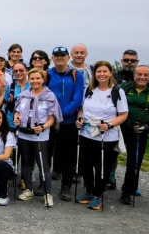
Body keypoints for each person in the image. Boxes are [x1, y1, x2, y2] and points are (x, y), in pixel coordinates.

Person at [75, 61, 128, 211]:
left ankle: (98, 195)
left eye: (105, 71)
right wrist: (79, 118)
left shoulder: (117, 91)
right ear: (94, 74)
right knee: (85, 165)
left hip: (107, 135)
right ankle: (89, 191)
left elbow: (123, 114)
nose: (101, 74)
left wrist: (110, 124)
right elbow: (82, 109)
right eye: (99, 71)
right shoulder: (89, 90)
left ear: (110, 73)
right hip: (87, 133)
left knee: (102, 167)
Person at [14, 68, 62, 206]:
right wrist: (17, 118)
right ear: (29, 79)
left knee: (43, 164)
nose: (35, 81)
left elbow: (52, 117)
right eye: (32, 78)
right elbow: (17, 111)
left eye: (38, 78)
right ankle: (29, 189)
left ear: (43, 80)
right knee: (26, 162)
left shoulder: (49, 96)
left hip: (40, 135)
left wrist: (43, 127)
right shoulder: (24, 95)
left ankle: (48, 193)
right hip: (24, 133)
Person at [119, 64, 149, 205]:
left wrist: (147, 126)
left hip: (139, 131)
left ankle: (128, 191)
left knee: (134, 162)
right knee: (110, 156)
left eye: (146, 75)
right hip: (120, 128)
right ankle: (106, 182)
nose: (142, 77)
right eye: (139, 74)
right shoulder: (124, 88)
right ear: (134, 75)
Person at [45, 46, 84, 201]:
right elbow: (44, 95)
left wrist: (61, 114)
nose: (59, 58)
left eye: (63, 55)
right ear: (52, 58)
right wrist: (52, 116)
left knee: (69, 155)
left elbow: (77, 98)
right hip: (50, 121)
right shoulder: (47, 74)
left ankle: (66, 186)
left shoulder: (76, 74)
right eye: (56, 55)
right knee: (46, 153)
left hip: (68, 121)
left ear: (68, 57)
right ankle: (44, 183)